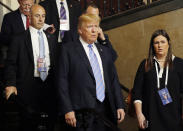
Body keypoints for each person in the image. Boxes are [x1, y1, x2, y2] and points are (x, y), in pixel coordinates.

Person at [57, 13, 125, 131]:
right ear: (80, 30)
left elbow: (113, 80)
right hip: (81, 113)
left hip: (105, 110)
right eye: (89, 27)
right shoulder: (68, 50)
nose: (94, 30)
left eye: (96, 26)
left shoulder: (105, 51)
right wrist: (67, 109)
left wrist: (120, 105)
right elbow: (61, 81)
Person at [4, 4, 58, 131]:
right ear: (29, 17)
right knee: (29, 124)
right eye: (37, 16)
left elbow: (57, 63)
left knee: (49, 123)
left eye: (43, 16)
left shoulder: (51, 38)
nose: (41, 19)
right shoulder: (18, 39)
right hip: (28, 86)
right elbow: (11, 64)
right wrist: (10, 84)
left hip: (49, 85)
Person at [132, 29, 183, 131]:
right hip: (150, 118)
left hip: (174, 119)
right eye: (156, 42)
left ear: (168, 44)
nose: (160, 45)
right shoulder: (145, 64)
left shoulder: (179, 64)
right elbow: (137, 92)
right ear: (152, 46)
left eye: (163, 42)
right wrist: (139, 114)